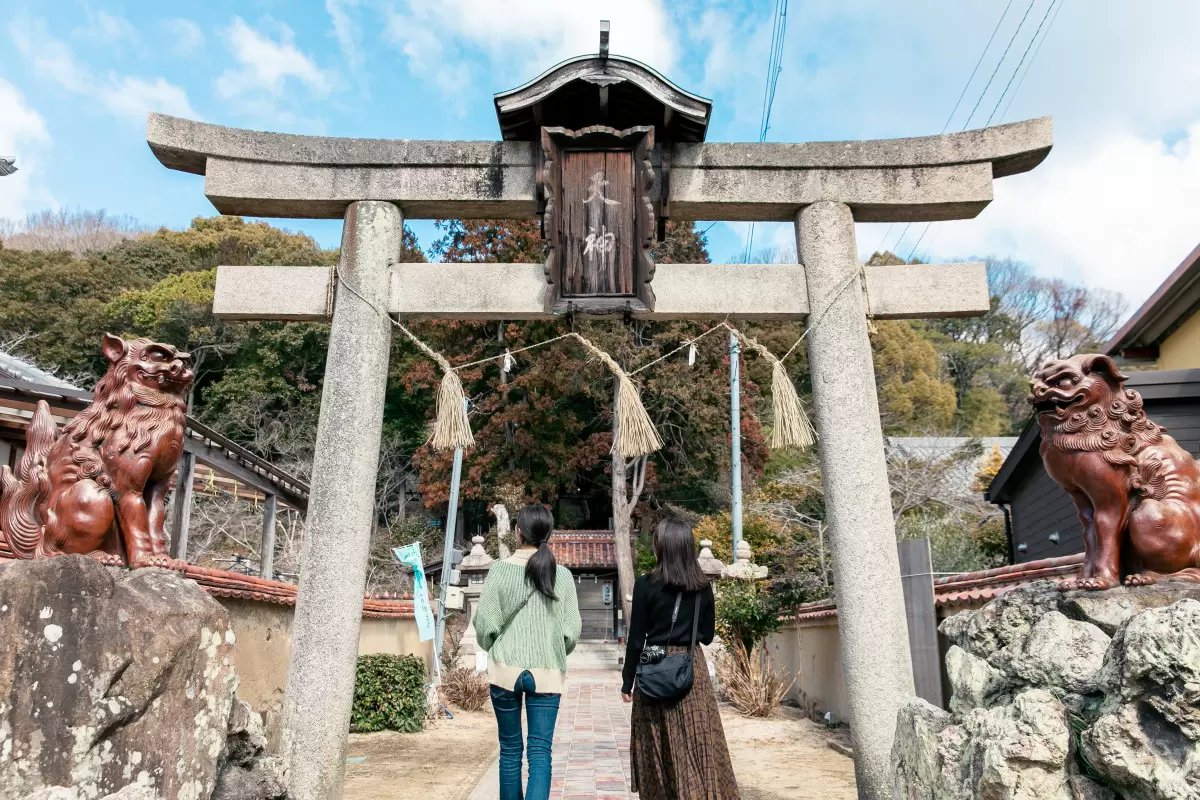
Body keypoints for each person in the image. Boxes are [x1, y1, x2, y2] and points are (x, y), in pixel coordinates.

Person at [622, 518, 741, 799]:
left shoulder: (645, 585)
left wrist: (627, 682)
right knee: (696, 740)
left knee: (658, 744)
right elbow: (708, 635)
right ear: (687, 547)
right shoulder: (702, 587)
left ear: (661, 546)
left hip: (654, 667)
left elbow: (637, 639)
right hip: (690, 667)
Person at [473, 504, 582, 800]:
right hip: (547, 672)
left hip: (505, 671)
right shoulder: (563, 576)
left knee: (509, 752)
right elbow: (571, 633)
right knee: (540, 753)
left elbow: (485, 626)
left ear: (518, 532)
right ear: (549, 533)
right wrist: (554, 650)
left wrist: (491, 645)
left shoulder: (499, 570)